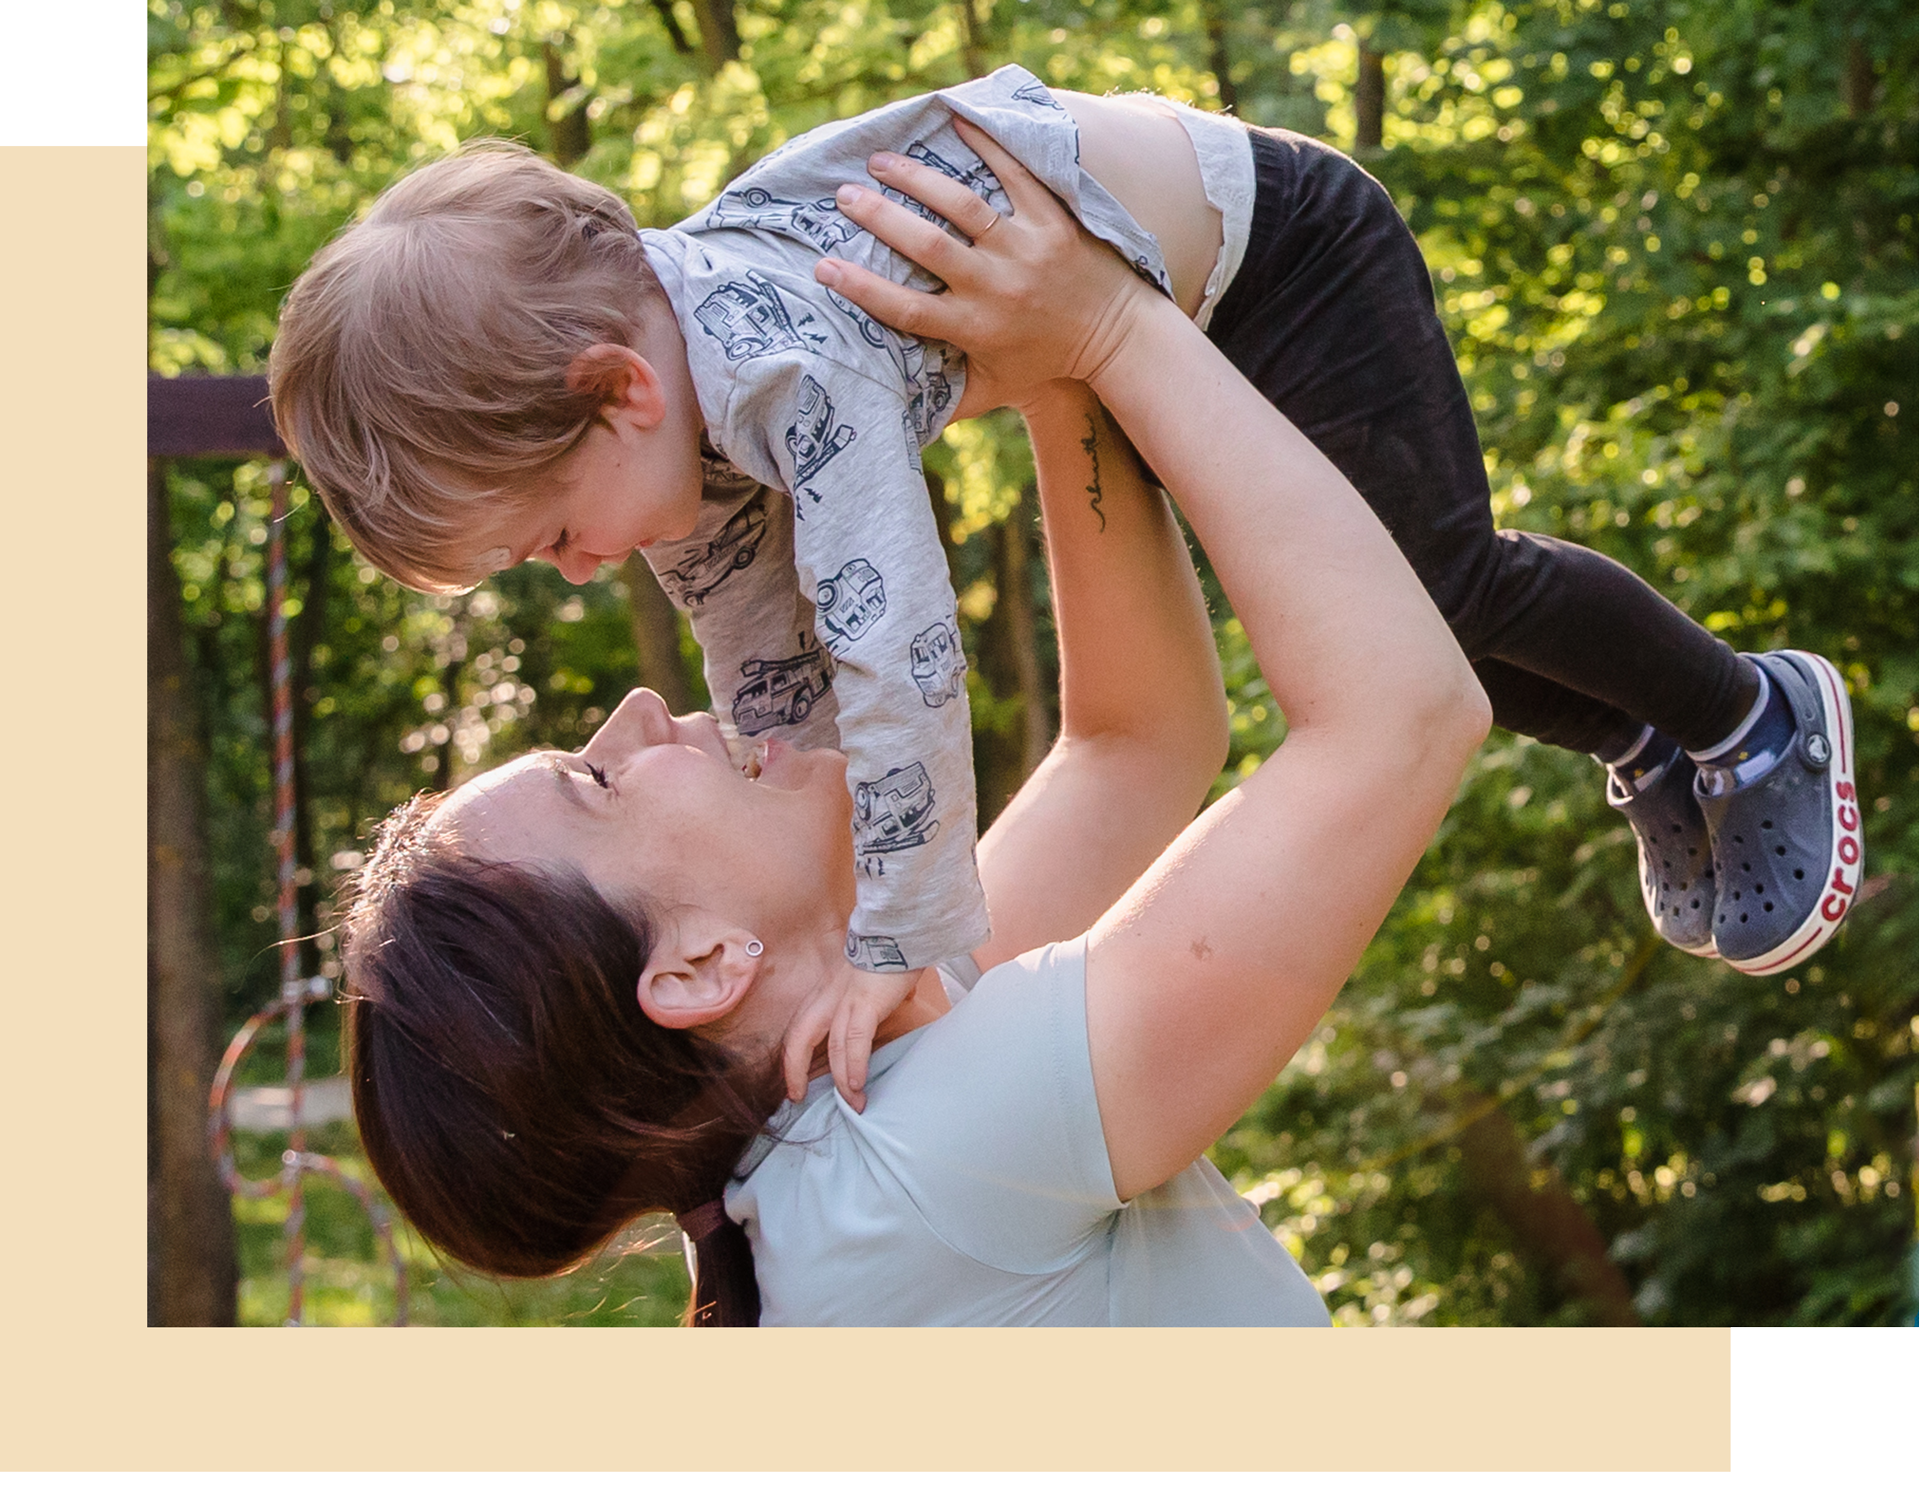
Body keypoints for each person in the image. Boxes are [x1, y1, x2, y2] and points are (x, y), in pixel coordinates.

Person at [277, 66, 1859, 1102]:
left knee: (1420, 587)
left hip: (1269, 258)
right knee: (1368, 601)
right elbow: (775, 672)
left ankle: (1744, 713)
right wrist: (813, 919)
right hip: (1131, 321)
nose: (583, 567)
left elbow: (893, 642)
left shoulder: (780, 360)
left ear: (619, 388)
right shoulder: (675, 449)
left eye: (554, 531)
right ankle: (1644, 738)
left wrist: (904, 923)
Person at [337, 139, 1491, 1325]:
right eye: (595, 781)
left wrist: (1051, 366)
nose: (639, 713)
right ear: (695, 968)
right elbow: (1402, 720)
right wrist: (1107, 329)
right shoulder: (927, 1156)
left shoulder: (848, 1111)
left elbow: (1138, 746)